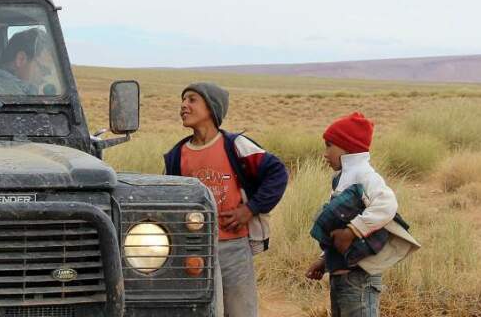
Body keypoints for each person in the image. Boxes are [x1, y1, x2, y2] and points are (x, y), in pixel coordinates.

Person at [163, 82, 289, 317]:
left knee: (242, 311)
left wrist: (251, 209)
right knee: (200, 310)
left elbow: (278, 173)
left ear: (211, 108)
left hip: (233, 246)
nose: (183, 105)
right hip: (193, 250)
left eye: (192, 100)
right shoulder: (176, 155)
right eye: (183, 100)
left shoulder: (235, 146)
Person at [304, 112, 420, 317]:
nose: (325, 153)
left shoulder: (364, 175)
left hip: (359, 280)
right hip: (341, 278)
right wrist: (324, 260)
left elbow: (387, 204)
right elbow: (336, 226)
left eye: (329, 145)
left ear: (347, 147)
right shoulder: (342, 179)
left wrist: (352, 231)